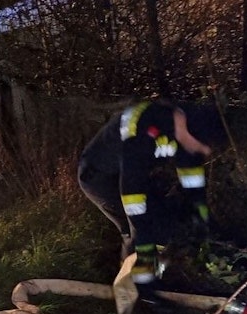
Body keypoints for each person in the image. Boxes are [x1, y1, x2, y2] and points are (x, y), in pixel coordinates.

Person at [77, 100, 226, 303]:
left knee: (160, 226)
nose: (206, 152)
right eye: (202, 145)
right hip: (101, 177)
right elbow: (132, 193)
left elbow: (191, 174)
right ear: (188, 131)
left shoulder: (187, 130)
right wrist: (144, 242)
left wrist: (201, 213)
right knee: (137, 232)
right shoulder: (144, 127)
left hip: (135, 176)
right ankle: (136, 291)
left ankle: (150, 276)